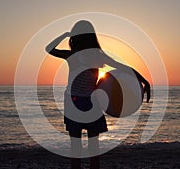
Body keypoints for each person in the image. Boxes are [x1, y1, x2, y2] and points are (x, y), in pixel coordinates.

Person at [45, 20, 150, 169]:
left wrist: (65, 34)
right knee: (93, 148)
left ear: (76, 37)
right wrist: (144, 81)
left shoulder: (74, 55)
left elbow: (49, 49)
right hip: (89, 103)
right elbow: (124, 68)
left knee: (77, 148)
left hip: (74, 102)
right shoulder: (96, 56)